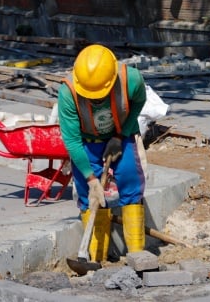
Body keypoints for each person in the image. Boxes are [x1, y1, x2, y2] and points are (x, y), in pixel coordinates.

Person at [59, 44, 147, 263]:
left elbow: (138, 103)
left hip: (122, 136)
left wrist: (121, 135)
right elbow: (71, 140)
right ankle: (97, 258)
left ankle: (137, 255)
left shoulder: (131, 79)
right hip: (87, 144)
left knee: (130, 185)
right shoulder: (68, 92)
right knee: (91, 199)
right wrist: (90, 178)